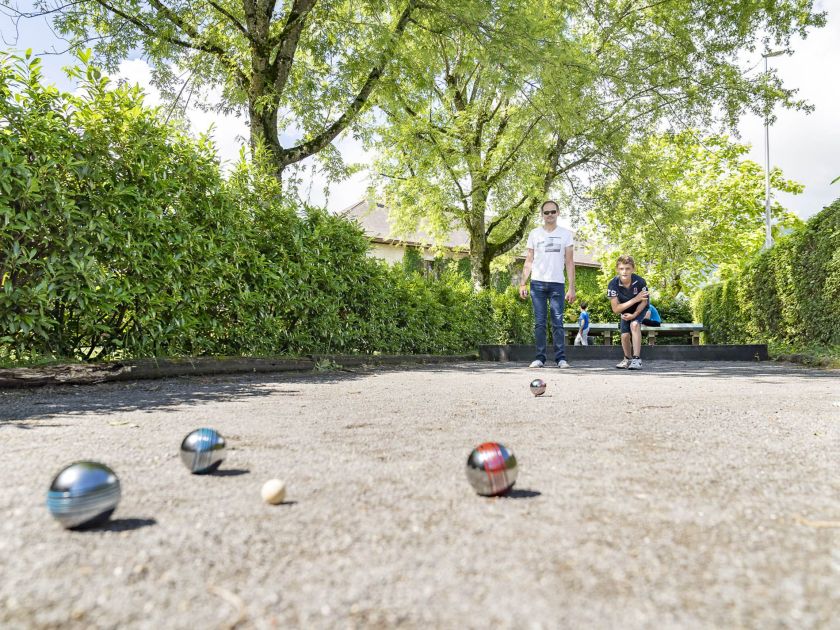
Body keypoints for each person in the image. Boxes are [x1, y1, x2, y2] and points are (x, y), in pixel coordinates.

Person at [519, 200, 576, 368]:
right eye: (546, 212)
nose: (549, 215)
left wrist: (571, 287)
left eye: (552, 212)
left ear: (558, 213)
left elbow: (570, 262)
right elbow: (528, 260)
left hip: (557, 283)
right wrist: (522, 283)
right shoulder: (534, 234)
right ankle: (540, 358)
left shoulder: (566, 234)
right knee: (539, 322)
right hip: (537, 284)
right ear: (542, 215)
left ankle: (561, 359)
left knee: (558, 322)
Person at [606, 255, 649, 370]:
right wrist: (635, 299)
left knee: (634, 325)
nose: (624, 271)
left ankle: (636, 359)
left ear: (633, 269)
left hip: (639, 308)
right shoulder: (612, 284)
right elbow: (616, 309)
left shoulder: (640, 282)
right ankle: (627, 359)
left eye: (628, 268)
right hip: (625, 309)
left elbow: (644, 302)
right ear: (617, 269)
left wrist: (635, 315)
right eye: (621, 268)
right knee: (625, 335)